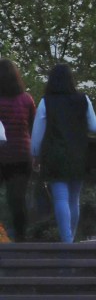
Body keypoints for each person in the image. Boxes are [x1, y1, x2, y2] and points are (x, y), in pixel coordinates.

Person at [30, 63, 96, 243]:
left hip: (54, 155)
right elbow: (94, 126)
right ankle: (71, 239)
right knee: (74, 199)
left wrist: (35, 154)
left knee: (60, 198)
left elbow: (38, 132)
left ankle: (66, 241)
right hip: (79, 154)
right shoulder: (83, 99)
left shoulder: (46, 102)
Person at [0, 58, 36, 241]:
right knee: (18, 200)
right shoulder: (27, 99)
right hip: (22, 155)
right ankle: (21, 239)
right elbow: (33, 127)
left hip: (1, 155)